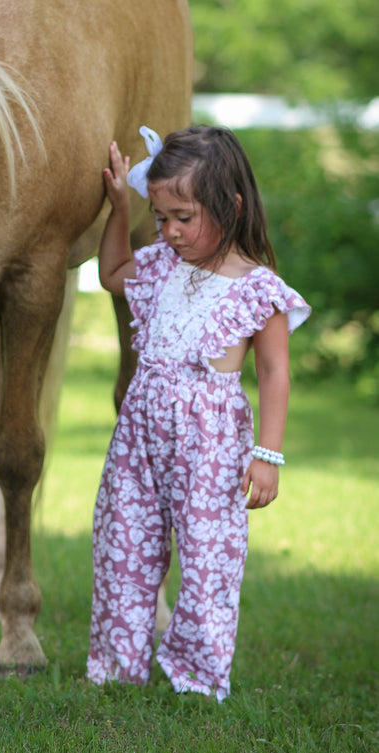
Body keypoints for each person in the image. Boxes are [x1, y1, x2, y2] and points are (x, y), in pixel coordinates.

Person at [86, 125, 311, 702]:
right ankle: (117, 665)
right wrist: (118, 210)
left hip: (209, 445)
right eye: (161, 218)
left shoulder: (259, 290)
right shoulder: (162, 263)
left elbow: (274, 373)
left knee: (209, 561)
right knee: (123, 543)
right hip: (139, 435)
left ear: (229, 207)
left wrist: (267, 454)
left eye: (183, 217)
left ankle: (198, 676)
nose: (171, 231)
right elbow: (113, 275)